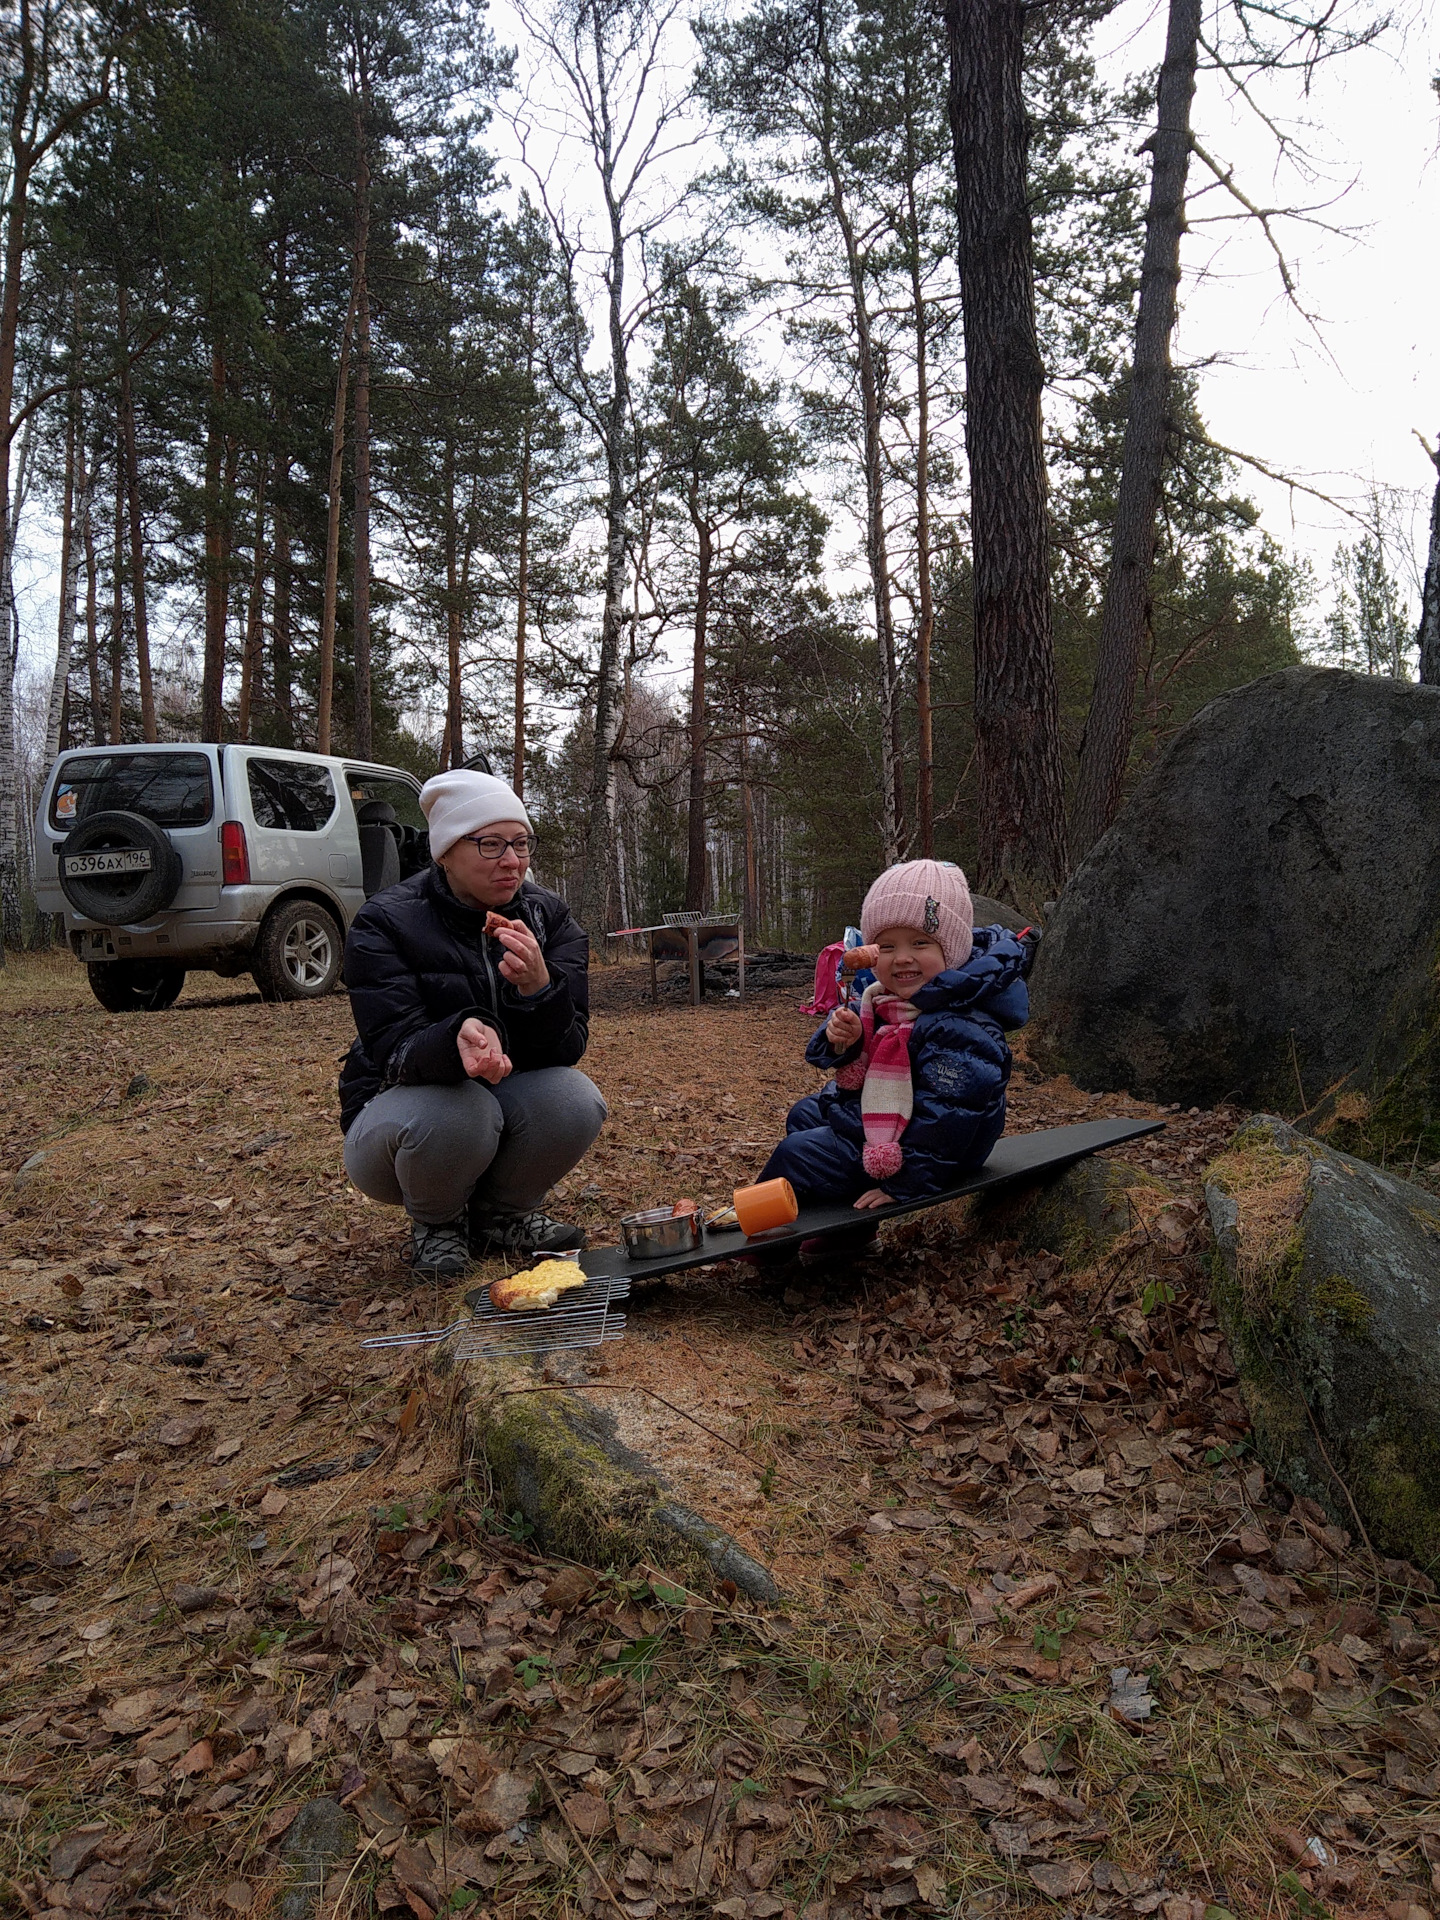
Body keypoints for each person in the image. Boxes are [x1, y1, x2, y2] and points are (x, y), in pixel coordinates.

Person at [338, 768, 607, 1278]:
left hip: (501, 1103)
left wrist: (538, 988)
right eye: (490, 845)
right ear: (445, 852)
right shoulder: (385, 921)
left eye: (521, 843)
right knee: (465, 1108)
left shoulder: (550, 918)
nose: (512, 861)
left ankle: (499, 1215)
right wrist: (453, 1036)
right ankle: (438, 1223)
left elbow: (567, 1047)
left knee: (575, 1098)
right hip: (396, 1120)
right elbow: (390, 1046)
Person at [757, 859, 1034, 1217]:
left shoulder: (960, 1025)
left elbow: (949, 1120)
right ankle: (844, 1235)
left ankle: (764, 1246)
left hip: (934, 1153)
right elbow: (843, 1055)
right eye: (886, 947)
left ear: (952, 951)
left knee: (797, 1155)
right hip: (907, 1121)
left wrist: (905, 1183)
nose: (902, 958)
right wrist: (848, 1039)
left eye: (920, 943)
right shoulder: (889, 1000)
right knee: (806, 1115)